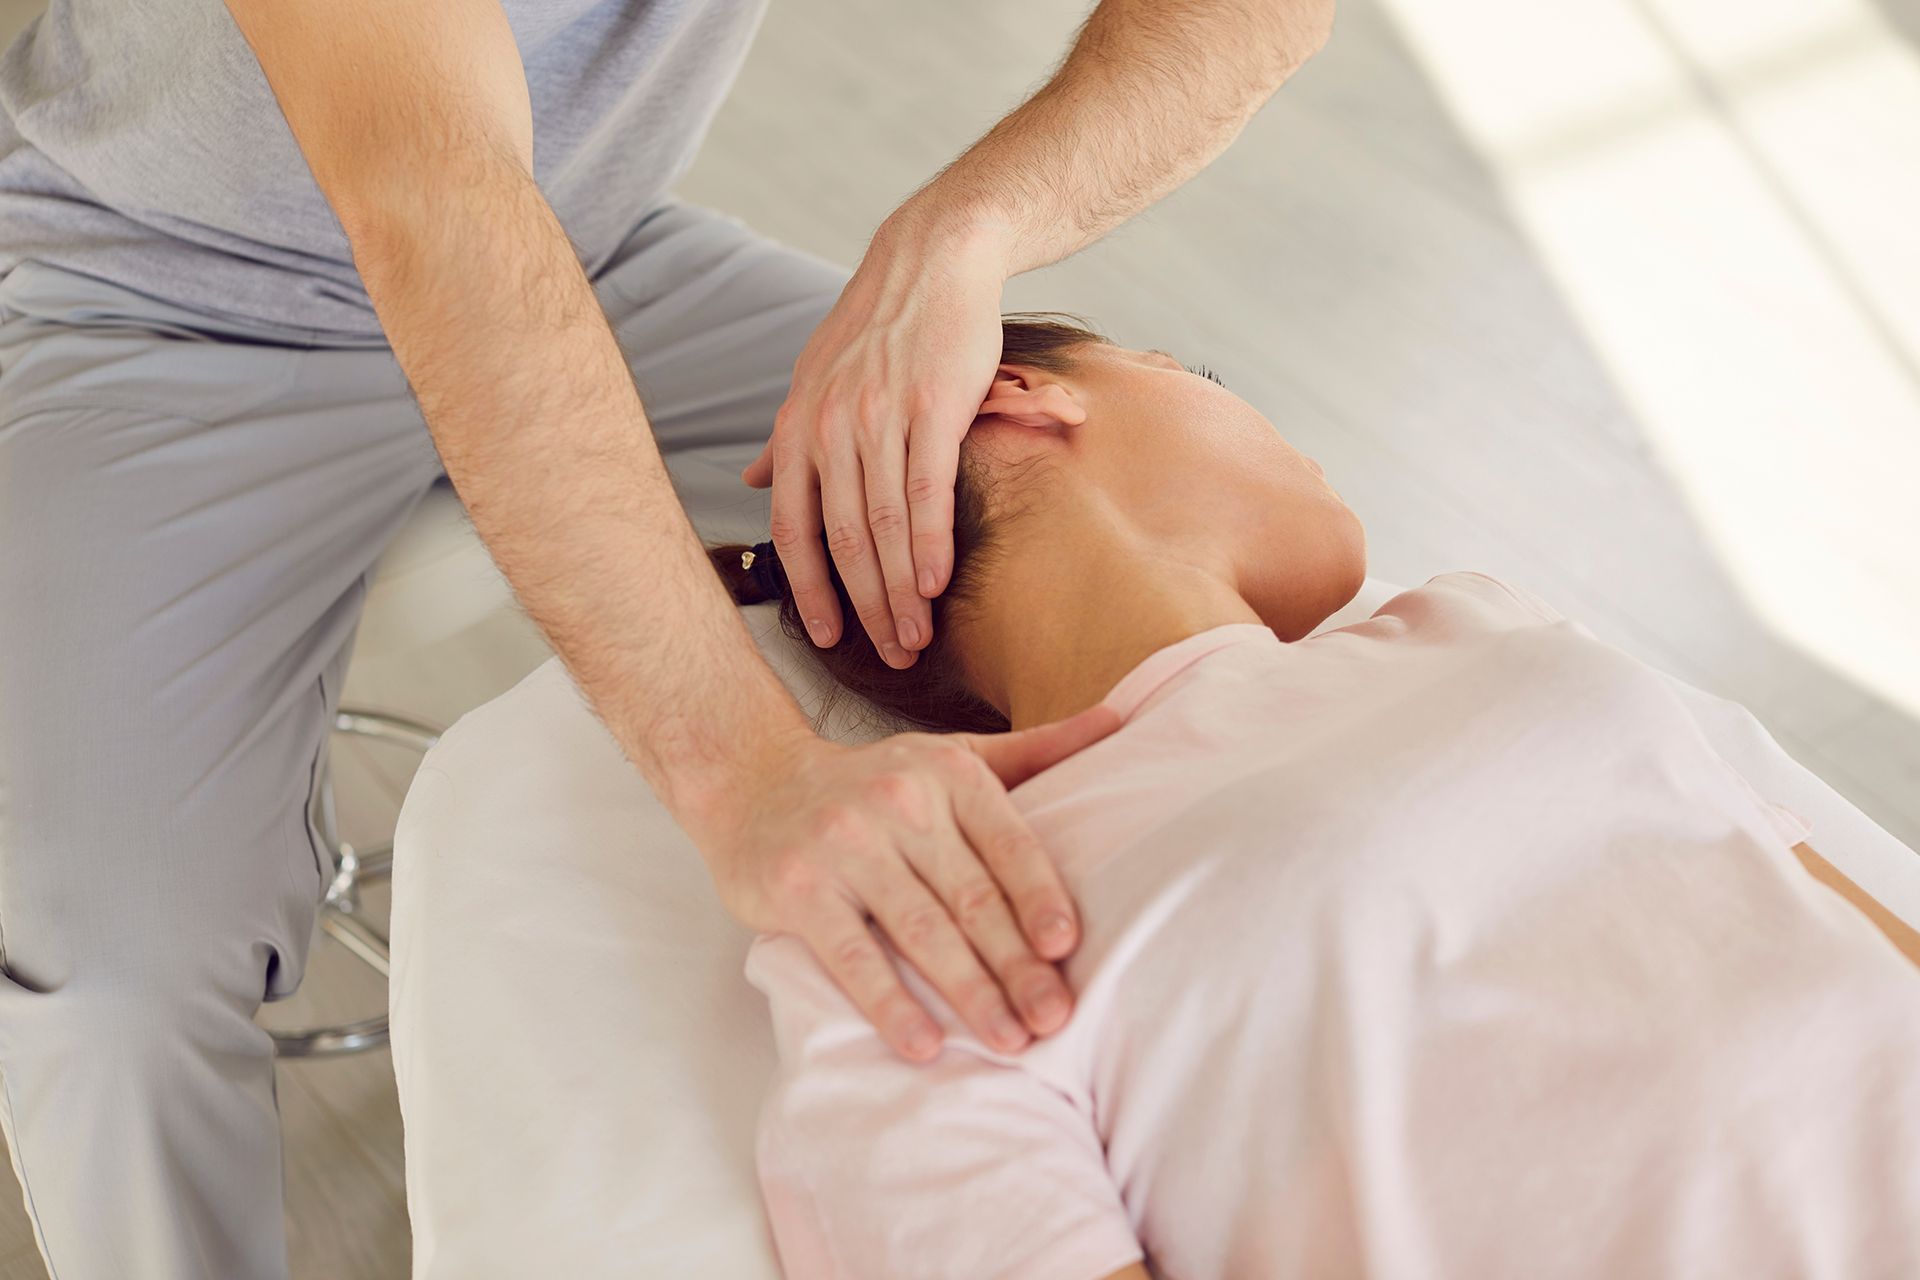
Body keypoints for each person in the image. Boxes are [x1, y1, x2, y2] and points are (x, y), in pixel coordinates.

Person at [0, 1, 1338, 1275]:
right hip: (157, 294)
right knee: (114, 999)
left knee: (1095, 558)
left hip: (585, 249)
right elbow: (427, 196)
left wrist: (964, 237)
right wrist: (748, 780)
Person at [717, 316, 1920, 1279]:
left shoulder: (1472, 620)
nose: (1287, 430)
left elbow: (1824, 920)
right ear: (1017, 394)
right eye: (1201, 369)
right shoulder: (916, 903)